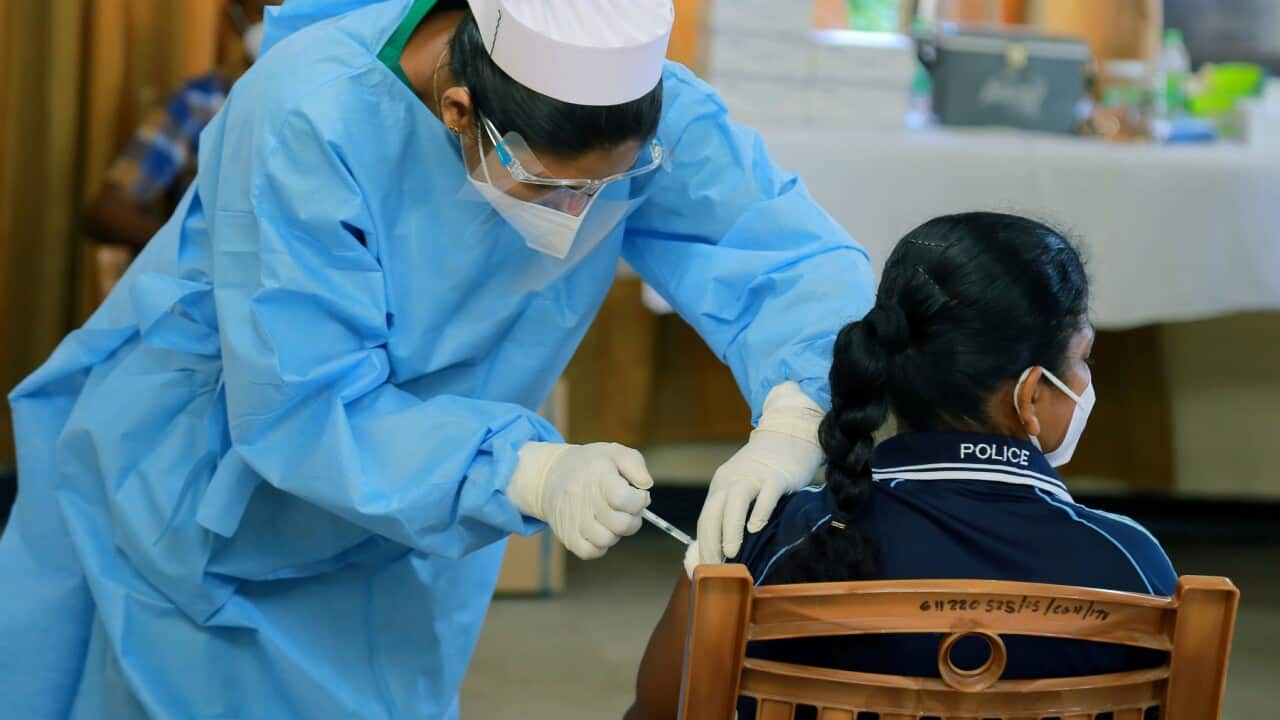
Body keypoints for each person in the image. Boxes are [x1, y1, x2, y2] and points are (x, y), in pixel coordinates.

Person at [0, 0, 874, 717]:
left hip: (418, 513)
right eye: (550, 186)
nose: (575, 217)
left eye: (601, 189)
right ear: (459, 109)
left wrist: (799, 411)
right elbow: (303, 407)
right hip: (213, 493)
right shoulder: (308, 116)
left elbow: (784, 260)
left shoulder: (649, 116)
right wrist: (525, 473)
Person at [627, 212, 1177, 720]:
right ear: (1030, 395)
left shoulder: (771, 540)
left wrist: (705, 568)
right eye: (1082, 357)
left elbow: (656, 712)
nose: (1085, 379)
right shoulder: (1134, 568)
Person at [84, 0, 274, 258]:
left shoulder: (333, 103)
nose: (278, 22)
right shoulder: (199, 103)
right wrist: (191, 249)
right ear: (234, 18)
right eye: (265, 11)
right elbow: (108, 211)